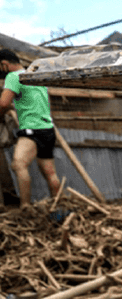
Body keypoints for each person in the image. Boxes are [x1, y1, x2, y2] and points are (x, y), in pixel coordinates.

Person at [0, 48, 62, 207]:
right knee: (51, 174)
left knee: (18, 164)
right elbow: (36, 103)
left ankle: (25, 206)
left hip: (31, 129)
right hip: (47, 129)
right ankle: (58, 207)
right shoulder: (35, 76)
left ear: (4, 64)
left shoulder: (13, 76)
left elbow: (3, 103)